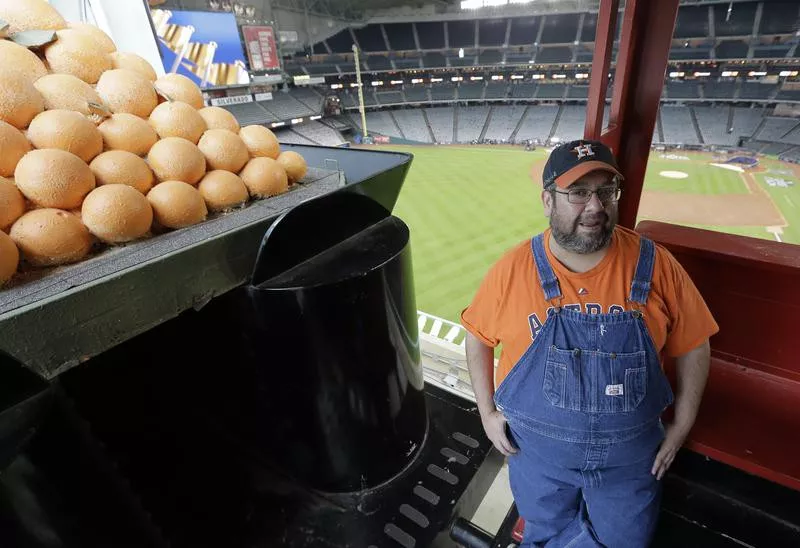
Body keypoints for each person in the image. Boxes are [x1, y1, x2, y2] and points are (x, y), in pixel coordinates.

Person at [461, 140, 718, 548]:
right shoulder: (512, 270)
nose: (595, 206)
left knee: (626, 542)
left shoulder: (656, 265)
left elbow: (695, 345)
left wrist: (680, 427)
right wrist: (487, 412)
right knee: (544, 534)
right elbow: (476, 336)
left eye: (605, 191)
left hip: (632, 462)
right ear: (548, 200)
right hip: (538, 458)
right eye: (578, 192)